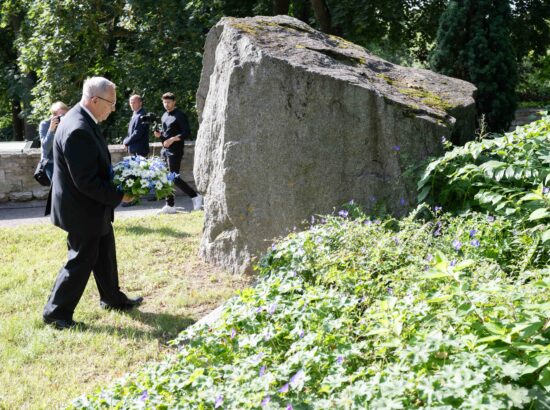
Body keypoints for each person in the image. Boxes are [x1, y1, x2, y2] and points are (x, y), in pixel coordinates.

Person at [43, 76, 143, 330]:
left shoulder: (84, 119)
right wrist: (120, 196)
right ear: (95, 100)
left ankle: (112, 298)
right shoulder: (77, 128)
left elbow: (94, 165)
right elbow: (86, 182)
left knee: (104, 252)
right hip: (81, 208)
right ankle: (56, 313)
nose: (113, 108)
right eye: (111, 103)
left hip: (90, 206)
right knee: (81, 259)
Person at [154, 92, 202, 214]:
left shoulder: (180, 115)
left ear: (174, 102)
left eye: (169, 102)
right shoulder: (164, 116)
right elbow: (165, 138)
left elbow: (186, 132)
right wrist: (160, 136)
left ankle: (195, 196)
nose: (166, 104)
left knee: (174, 177)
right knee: (166, 177)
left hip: (176, 150)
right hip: (165, 151)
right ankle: (170, 205)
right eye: (164, 102)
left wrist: (172, 139)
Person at [121, 94, 150, 207]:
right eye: (130, 102)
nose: (132, 104)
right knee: (136, 174)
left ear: (140, 102)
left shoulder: (142, 115)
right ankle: (134, 197)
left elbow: (138, 133)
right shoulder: (136, 114)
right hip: (135, 148)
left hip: (139, 149)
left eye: (134, 102)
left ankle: (132, 199)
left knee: (135, 174)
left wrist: (126, 141)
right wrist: (127, 140)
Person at [38, 101, 69, 182]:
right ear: (53, 115)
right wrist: (51, 129)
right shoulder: (45, 124)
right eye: (60, 116)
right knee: (57, 187)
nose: (63, 118)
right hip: (51, 163)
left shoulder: (68, 123)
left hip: (65, 161)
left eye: (65, 115)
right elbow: (46, 147)